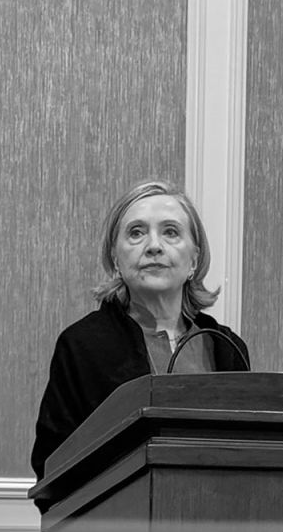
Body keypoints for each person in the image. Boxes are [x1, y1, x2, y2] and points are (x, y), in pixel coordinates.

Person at [31, 180, 251, 481]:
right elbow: (52, 466)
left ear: (194, 259)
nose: (154, 246)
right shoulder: (82, 346)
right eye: (136, 233)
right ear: (116, 260)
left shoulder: (227, 347)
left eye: (171, 232)